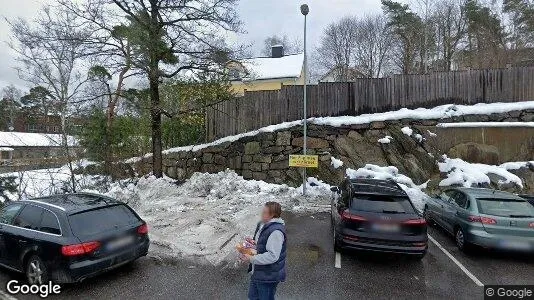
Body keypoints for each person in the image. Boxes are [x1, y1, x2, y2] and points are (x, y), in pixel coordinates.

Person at [242, 202, 287, 300]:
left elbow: (272, 256)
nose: (261, 214)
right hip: (259, 272)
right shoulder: (262, 224)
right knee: (253, 297)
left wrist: (251, 258)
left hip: (268, 276)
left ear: (272, 215)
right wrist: (254, 243)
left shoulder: (276, 232)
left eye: (264, 212)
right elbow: (263, 243)